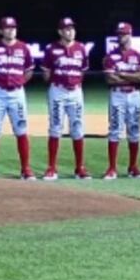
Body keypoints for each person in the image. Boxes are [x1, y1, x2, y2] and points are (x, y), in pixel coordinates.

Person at [0, 16, 35, 179]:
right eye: (7, 28)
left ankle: (25, 168)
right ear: (1, 30)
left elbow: (29, 70)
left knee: (21, 130)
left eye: (13, 27)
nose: (11, 30)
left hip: (17, 93)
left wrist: (18, 83)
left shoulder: (23, 48)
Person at [41, 17, 91, 180]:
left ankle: (79, 168)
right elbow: (46, 74)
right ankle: (52, 168)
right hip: (58, 91)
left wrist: (73, 82)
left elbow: (83, 70)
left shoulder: (81, 48)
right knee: (55, 127)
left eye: (72, 28)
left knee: (77, 128)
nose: (70, 31)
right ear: (60, 31)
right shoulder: (52, 49)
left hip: (75, 91)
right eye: (67, 29)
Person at [101, 22, 140, 179]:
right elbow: (110, 79)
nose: (121, 36)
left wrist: (121, 74)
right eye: (119, 34)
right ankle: (112, 168)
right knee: (115, 129)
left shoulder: (138, 55)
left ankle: (133, 166)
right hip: (117, 95)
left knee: (134, 130)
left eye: (124, 34)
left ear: (130, 35)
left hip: (134, 95)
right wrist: (132, 76)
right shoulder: (110, 56)